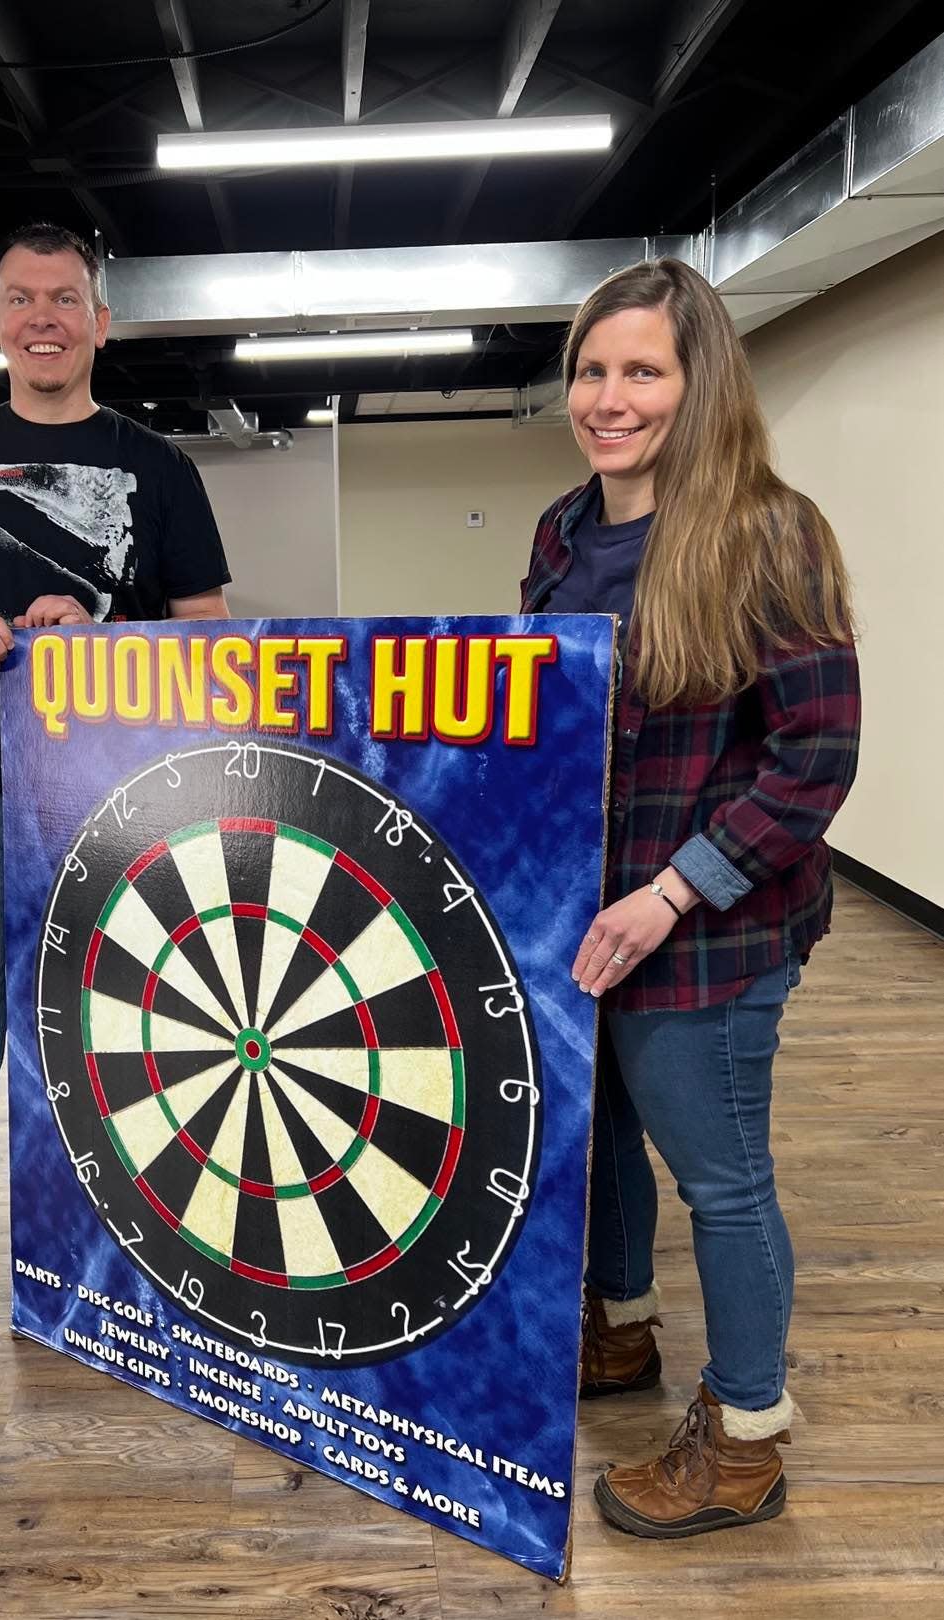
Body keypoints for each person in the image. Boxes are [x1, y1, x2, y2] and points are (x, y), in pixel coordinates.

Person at [520, 258, 860, 1537]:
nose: (609, 398)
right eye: (591, 371)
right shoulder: (564, 528)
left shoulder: (768, 531)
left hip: (707, 931)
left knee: (718, 1179)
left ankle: (748, 1435)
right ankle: (615, 1330)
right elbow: (540, 721)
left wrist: (667, 896)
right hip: (582, 910)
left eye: (641, 371)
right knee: (598, 1132)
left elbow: (812, 761)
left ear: (695, 379)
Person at [0, 222, 231, 1347]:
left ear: (100, 322)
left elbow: (212, 633)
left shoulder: (157, 467)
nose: (44, 318)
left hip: (125, 808)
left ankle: (143, 1251)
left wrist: (104, 630)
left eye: (65, 298)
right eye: (22, 299)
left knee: (146, 1040)